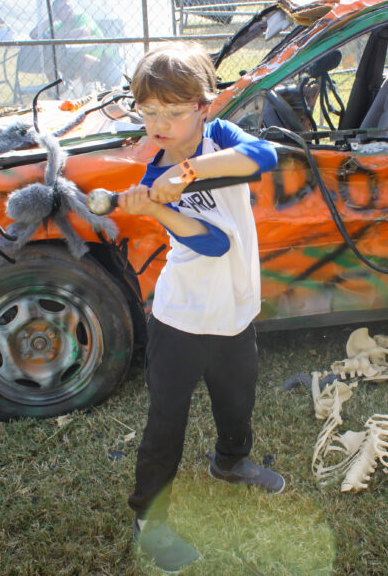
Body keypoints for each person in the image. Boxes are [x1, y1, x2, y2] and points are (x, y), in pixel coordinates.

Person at [120, 44, 281, 572]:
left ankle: (230, 462)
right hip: (183, 318)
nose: (160, 125)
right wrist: (158, 203)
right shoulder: (150, 181)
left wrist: (186, 172)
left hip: (234, 310)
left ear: (203, 107)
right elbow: (212, 244)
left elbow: (266, 158)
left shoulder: (220, 139)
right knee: (166, 422)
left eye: (173, 112)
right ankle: (151, 522)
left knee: (237, 400)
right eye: (149, 114)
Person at [29, 0, 113, 90]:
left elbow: (84, 32)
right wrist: (51, 19)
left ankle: (89, 92)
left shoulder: (82, 17)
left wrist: (61, 36)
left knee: (82, 59)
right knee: (49, 61)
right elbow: (34, 34)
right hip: (73, 64)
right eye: (62, 9)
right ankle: (59, 90)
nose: (67, 11)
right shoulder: (58, 26)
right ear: (57, 14)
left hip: (101, 61)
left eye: (67, 7)